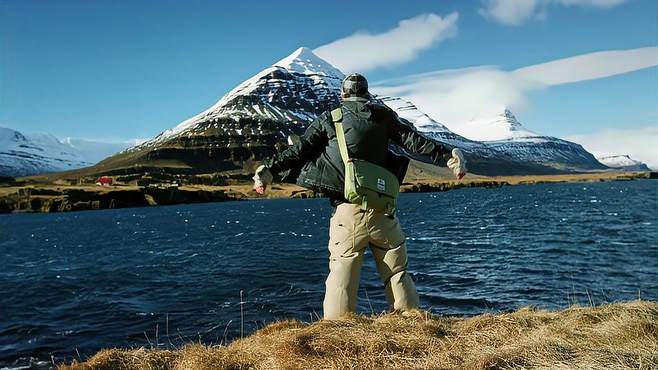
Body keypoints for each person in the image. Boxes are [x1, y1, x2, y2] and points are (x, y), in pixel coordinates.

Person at [252, 73, 467, 320]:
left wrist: (268, 171)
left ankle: (336, 332)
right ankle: (414, 325)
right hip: (383, 210)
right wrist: (450, 157)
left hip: (348, 213)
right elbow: (416, 142)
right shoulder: (384, 118)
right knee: (397, 273)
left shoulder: (331, 119)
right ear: (366, 93)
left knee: (342, 273)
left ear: (343, 94)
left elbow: (297, 151)